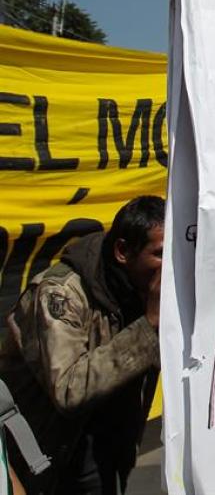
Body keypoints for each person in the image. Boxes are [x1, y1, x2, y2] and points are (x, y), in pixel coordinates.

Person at [0, 196, 164, 495]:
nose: (169, 267)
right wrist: (149, 325)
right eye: (161, 254)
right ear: (123, 251)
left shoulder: (140, 288)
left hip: (106, 447)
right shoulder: (60, 294)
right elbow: (69, 390)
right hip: (44, 454)